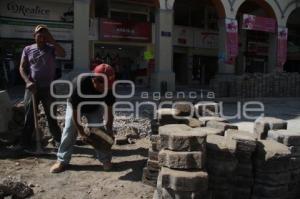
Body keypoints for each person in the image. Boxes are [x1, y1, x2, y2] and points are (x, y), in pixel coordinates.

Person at [50, 64, 116, 173]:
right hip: (77, 107)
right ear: (95, 80)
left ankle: (105, 160)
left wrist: (109, 130)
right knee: (69, 129)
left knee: (99, 131)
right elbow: (75, 113)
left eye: (108, 85)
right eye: (103, 86)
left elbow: (109, 112)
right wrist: (81, 133)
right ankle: (62, 160)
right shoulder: (80, 84)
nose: (106, 89)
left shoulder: (109, 88)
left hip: (95, 107)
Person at [18, 24, 65, 150]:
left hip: (48, 88)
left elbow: (63, 53)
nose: (42, 37)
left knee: (51, 116)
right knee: (29, 116)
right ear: (34, 36)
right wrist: (27, 81)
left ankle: (58, 141)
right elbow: (22, 68)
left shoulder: (51, 48)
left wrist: (53, 40)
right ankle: (25, 143)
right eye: (39, 35)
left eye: (45, 35)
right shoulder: (28, 49)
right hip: (32, 87)